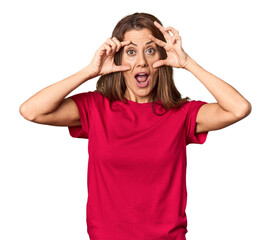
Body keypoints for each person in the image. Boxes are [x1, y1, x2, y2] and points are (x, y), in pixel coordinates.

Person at [19, 12, 251, 240]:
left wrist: (188, 63)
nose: (141, 61)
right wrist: (90, 71)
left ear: (162, 58)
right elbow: (32, 111)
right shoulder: (96, 108)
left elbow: (238, 108)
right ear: (118, 60)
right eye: (131, 52)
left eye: (150, 51)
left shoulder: (182, 114)